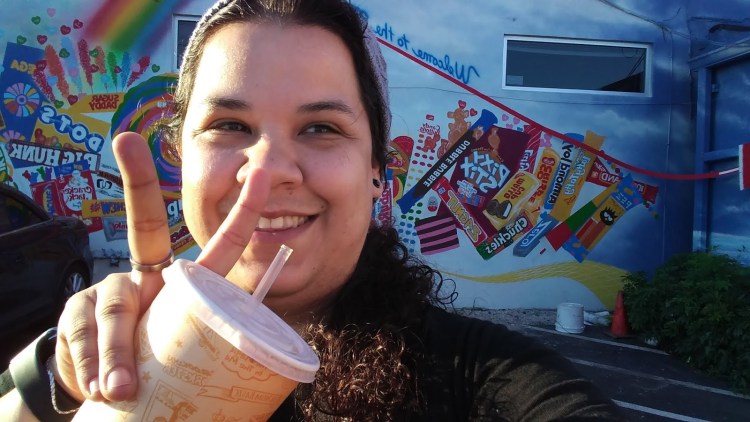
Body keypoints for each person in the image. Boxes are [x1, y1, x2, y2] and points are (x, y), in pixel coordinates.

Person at [0, 0, 626, 420]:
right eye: (230, 124)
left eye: (322, 127)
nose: (269, 170)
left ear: (378, 169)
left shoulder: (484, 378)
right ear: (181, 159)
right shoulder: (100, 361)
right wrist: (73, 381)